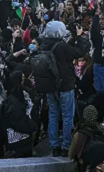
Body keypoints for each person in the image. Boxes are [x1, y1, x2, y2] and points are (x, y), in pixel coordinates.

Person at [40, 20, 89, 156]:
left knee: (53, 115)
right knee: (67, 116)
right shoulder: (61, 46)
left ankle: (54, 145)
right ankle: (66, 145)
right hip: (65, 85)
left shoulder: (44, 46)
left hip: (50, 86)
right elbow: (79, 52)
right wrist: (79, 36)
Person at [0, 71, 36, 158]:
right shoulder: (14, 101)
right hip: (18, 139)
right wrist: (31, 126)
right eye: (22, 79)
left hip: (24, 137)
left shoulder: (20, 94)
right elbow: (17, 120)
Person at [69, 105, 104, 171]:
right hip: (101, 165)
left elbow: (71, 155)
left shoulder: (79, 134)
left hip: (85, 166)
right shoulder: (102, 129)